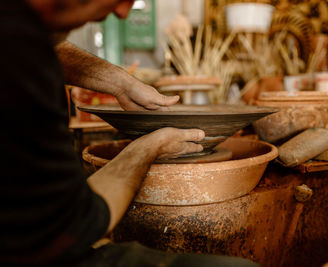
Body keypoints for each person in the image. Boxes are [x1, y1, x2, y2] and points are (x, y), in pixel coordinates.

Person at [0, 0, 260, 266]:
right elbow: (70, 227)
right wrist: (148, 147)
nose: (122, 12)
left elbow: (46, 48)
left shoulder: (19, 31)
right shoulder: (20, 65)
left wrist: (121, 83)